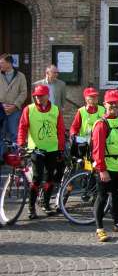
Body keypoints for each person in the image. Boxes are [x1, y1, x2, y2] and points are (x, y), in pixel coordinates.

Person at [17, 85, 65, 218]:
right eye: (36, 96)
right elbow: (22, 128)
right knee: (37, 178)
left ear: (47, 96)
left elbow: (60, 130)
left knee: (50, 177)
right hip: (36, 149)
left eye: (41, 95)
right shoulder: (29, 109)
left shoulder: (55, 110)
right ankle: (31, 207)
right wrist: (21, 144)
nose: (38, 98)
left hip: (52, 148)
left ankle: (46, 203)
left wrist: (61, 148)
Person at [91, 89, 118, 242]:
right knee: (102, 197)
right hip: (107, 167)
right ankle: (100, 228)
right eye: (110, 103)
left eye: (116, 103)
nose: (113, 105)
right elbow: (97, 149)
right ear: (105, 104)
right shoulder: (101, 124)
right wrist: (102, 169)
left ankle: (117, 223)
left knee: (117, 196)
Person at [0, 53, 27, 162]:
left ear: (9, 63)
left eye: (2, 63)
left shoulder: (20, 76)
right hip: (0, 109)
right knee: (0, 134)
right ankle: (1, 158)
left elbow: (24, 92)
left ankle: (16, 158)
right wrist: (1, 105)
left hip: (14, 110)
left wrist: (15, 105)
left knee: (14, 134)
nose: (0, 65)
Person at [69, 87, 105, 160]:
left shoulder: (103, 110)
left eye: (96, 96)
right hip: (84, 142)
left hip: (99, 142)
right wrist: (73, 135)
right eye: (92, 97)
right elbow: (74, 127)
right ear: (86, 99)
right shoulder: (81, 111)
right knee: (85, 164)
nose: (95, 98)